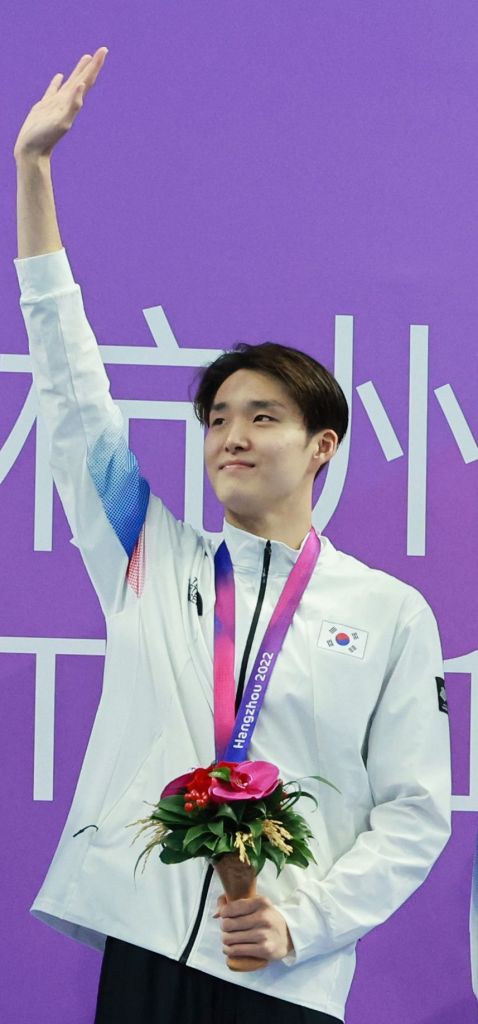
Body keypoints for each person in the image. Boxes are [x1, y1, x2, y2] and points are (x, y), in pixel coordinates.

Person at [13, 49, 452, 1024]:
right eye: (217, 418)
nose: (232, 436)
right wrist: (32, 175)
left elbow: (415, 813)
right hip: (144, 957)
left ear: (322, 445)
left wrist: (302, 922)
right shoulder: (148, 557)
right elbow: (72, 395)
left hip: (280, 973)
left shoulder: (388, 613)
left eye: (262, 416)